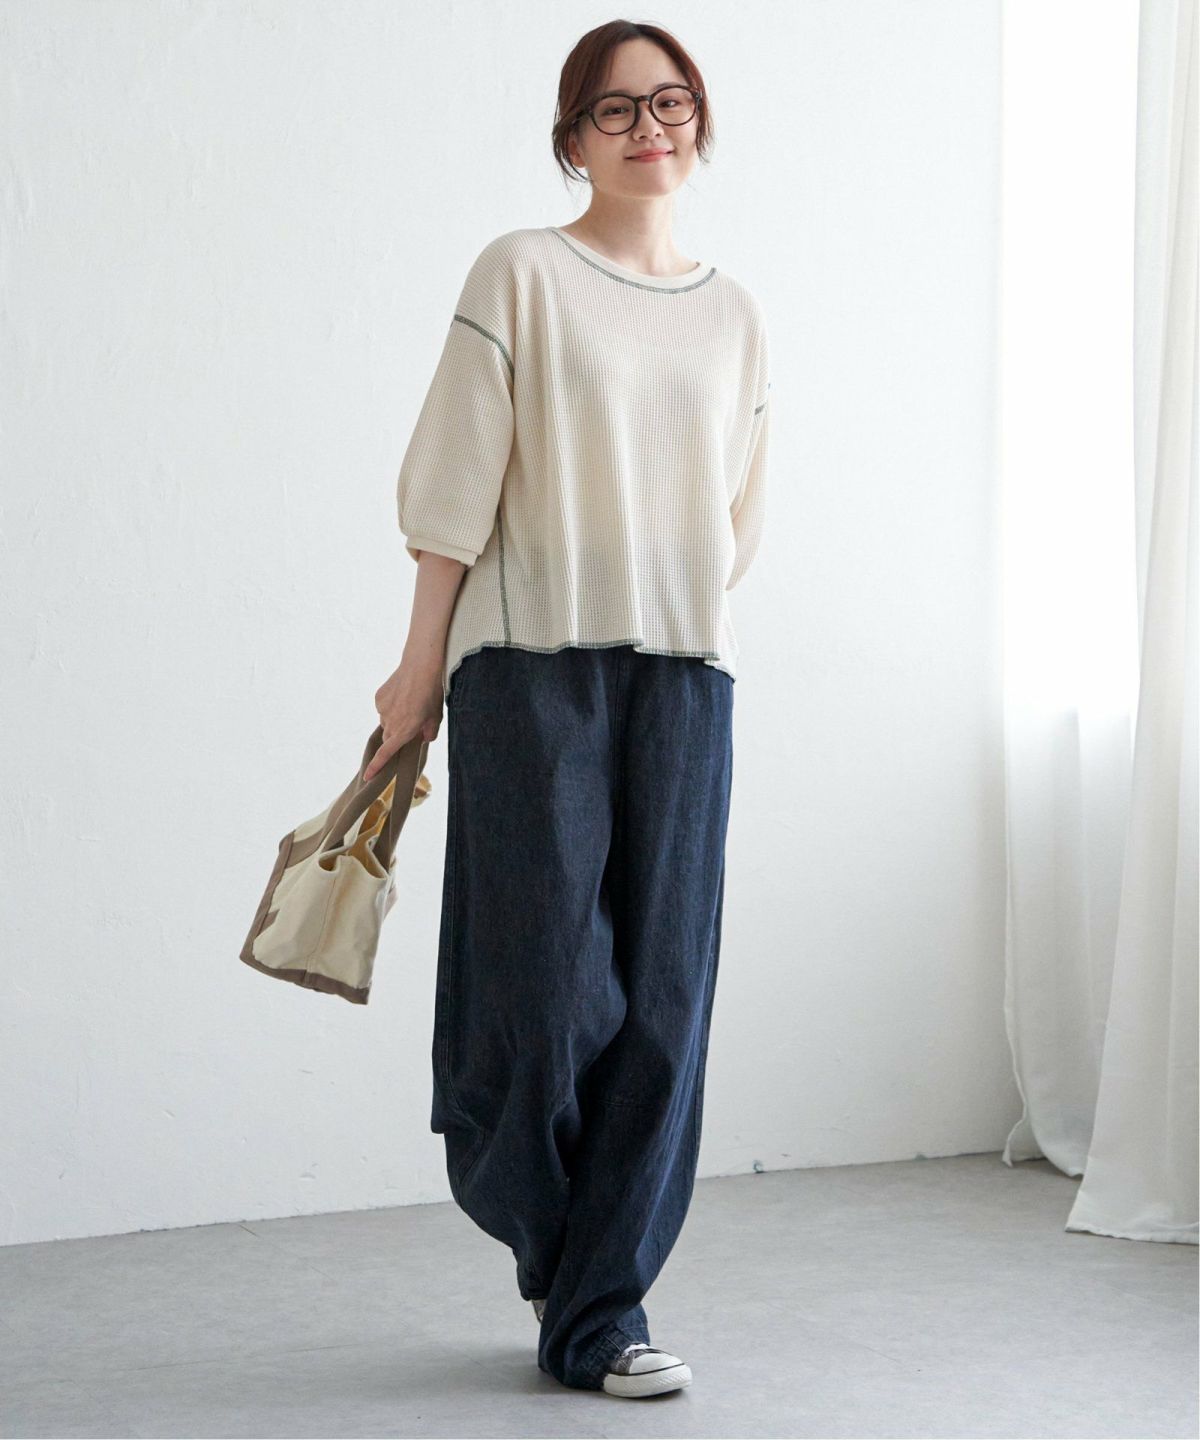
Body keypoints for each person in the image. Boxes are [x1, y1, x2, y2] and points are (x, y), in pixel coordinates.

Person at [365, 19, 770, 1399]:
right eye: (616, 109)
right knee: (542, 992)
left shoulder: (735, 313)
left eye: (672, 102)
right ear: (572, 138)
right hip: (529, 661)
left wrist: (675, 604)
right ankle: (567, 1249)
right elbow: (452, 489)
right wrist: (419, 668)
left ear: (700, 124)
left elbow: (734, 517)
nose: (649, 127)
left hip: (686, 673)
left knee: (665, 997)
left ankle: (602, 1309)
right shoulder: (522, 274)